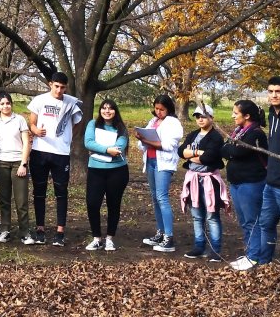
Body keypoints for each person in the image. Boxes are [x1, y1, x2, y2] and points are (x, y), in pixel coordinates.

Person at [233, 76, 280, 273]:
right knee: (265, 224)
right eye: (271, 91)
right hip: (271, 182)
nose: (274, 95)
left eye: (278, 91)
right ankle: (266, 265)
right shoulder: (272, 114)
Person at [25, 71, 83, 246]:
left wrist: (68, 139)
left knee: (61, 192)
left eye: (63, 87)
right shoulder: (39, 100)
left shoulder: (72, 103)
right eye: (56, 86)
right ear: (50, 84)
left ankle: (60, 232)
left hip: (61, 154)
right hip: (40, 151)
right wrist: (35, 131)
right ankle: (40, 229)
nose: (59, 90)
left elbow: (78, 124)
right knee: (39, 192)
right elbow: (32, 123)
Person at [221, 100, 268, 269]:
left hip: (252, 183)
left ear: (247, 115)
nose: (232, 115)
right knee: (243, 221)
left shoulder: (255, 134)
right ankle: (250, 252)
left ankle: (255, 256)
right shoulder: (238, 132)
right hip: (236, 183)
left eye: (236, 113)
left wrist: (231, 151)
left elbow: (236, 151)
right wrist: (230, 150)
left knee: (252, 220)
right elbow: (224, 149)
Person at [178, 103, 228, 261]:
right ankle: (199, 246)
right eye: (197, 116)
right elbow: (180, 151)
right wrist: (197, 152)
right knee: (196, 216)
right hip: (193, 179)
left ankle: (215, 250)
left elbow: (209, 157)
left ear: (211, 118)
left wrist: (190, 154)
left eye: (204, 116)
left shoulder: (216, 137)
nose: (200, 119)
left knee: (212, 216)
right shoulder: (193, 134)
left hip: (209, 180)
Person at [136, 94, 184, 253]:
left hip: (163, 163)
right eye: (156, 109)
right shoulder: (153, 121)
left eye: (162, 109)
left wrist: (147, 140)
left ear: (168, 108)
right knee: (155, 197)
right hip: (150, 161)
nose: (158, 112)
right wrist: (141, 138)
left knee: (162, 197)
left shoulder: (173, 123)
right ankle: (160, 232)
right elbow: (141, 144)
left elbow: (169, 145)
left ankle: (169, 238)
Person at [83, 99, 129, 251]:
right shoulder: (92, 124)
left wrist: (99, 148)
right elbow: (88, 142)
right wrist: (107, 150)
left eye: (110, 108)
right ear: (100, 110)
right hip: (96, 170)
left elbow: (120, 147)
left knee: (113, 204)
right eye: (104, 108)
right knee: (92, 203)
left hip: (117, 171)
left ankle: (110, 238)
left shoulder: (121, 128)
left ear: (115, 111)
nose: (107, 111)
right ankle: (97, 238)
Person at [0, 92, 31, 244]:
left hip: (18, 163)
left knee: (21, 201)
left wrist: (23, 163)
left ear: (11, 104)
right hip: (1, 163)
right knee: (4, 199)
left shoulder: (20, 119)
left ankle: (25, 232)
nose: (5, 106)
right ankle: (5, 230)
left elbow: (27, 143)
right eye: (2, 104)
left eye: (7, 103)